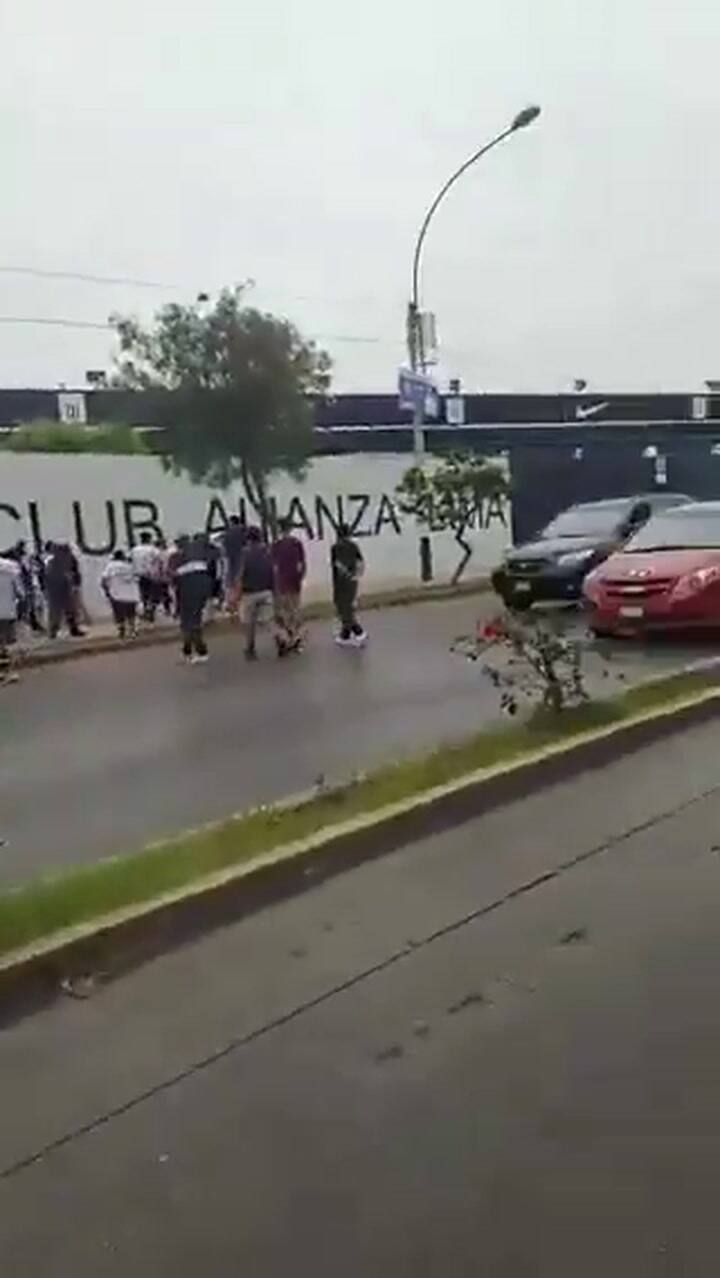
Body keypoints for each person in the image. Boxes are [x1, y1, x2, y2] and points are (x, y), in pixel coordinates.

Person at [170, 534, 211, 664]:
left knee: (189, 623)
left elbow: (172, 576)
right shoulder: (200, 557)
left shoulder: (176, 558)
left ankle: (198, 651)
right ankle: (189, 651)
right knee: (192, 622)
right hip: (199, 590)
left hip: (186, 591)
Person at [272, 518, 307, 655]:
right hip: (294, 581)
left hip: (282, 582)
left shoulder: (276, 545)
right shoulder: (296, 543)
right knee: (295, 609)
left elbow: (274, 567)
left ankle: (289, 638)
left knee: (284, 611)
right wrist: (300, 577)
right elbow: (302, 564)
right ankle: (297, 637)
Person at [239, 526, 274, 660]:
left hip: (249, 593)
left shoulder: (245, 553)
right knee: (268, 621)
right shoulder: (268, 551)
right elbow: (272, 570)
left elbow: (240, 574)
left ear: (248, 539)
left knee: (249, 623)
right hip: (266, 591)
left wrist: (236, 592)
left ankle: (250, 649)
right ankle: (280, 639)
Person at [331, 523, 366, 646]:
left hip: (341, 582)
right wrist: (356, 575)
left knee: (343, 608)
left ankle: (358, 632)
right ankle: (345, 634)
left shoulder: (335, 548)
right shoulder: (353, 546)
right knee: (348, 607)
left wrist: (343, 575)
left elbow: (336, 565)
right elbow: (361, 562)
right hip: (352, 581)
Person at [45, 543, 85, 639]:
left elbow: (75, 571)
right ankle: (54, 631)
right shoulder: (52, 560)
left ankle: (71, 629)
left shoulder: (66, 559)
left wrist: (75, 583)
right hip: (58, 587)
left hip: (64, 586)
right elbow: (47, 575)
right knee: (58, 610)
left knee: (69, 610)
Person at [101, 549, 140, 640]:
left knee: (119, 613)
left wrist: (106, 590)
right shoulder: (129, 566)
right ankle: (133, 630)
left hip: (116, 594)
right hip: (131, 594)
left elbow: (104, 579)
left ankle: (121, 629)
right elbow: (136, 578)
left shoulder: (110, 566)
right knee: (131, 613)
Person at [10, 540, 43, 633]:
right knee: (27, 605)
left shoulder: (23, 559)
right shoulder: (22, 559)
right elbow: (27, 571)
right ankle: (30, 623)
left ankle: (32, 623)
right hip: (25, 585)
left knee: (29, 605)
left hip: (26, 585)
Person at [130, 532, 163, 623]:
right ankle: (150, 611)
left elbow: (130, 561)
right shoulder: (154, 550)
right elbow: (160, 561)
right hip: (151, 575)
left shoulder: (134, 550)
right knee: (154, 594)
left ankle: (146, 609)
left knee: (144, 594)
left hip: (139, 575)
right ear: (149, 539)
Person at [0, 550, 22, 685]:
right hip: (8, 610)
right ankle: (12, 672)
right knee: (10, 643)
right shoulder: (11, 568)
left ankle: (1, 672)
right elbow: (20, 591)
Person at [223, 516, 246, 616]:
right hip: (241, 559)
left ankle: (232, 606)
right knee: (239, 581)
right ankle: (238, 605)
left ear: (231, 523)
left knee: (231, 583)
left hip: (231, 560)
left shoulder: (228, 534)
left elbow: (224, 548)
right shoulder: (243, 532)